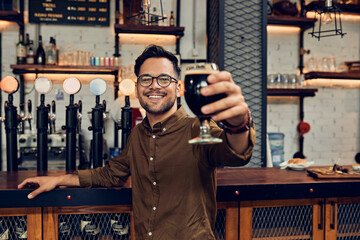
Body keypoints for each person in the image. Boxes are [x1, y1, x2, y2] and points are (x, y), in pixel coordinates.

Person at [18, 45, 256, 239]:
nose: (154, 85)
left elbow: (235, 152)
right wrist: (57, 180)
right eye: (146, 79)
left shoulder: (197, 129)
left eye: (164, 78)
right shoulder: (138, 135)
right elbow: (111, 174)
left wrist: (238, 124)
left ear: (179, 88)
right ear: (137, 88)